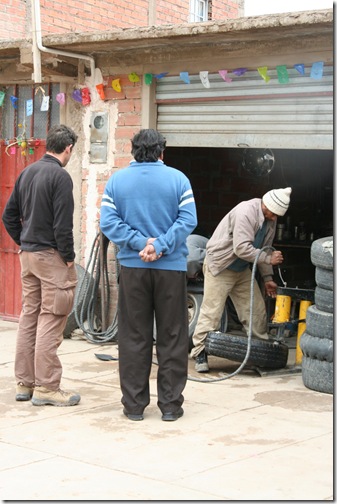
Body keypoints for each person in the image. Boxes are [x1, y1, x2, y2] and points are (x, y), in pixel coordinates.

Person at [100, 129, 197, 422]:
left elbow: (108, 221)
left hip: (133, 269)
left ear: (133, 151)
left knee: (133, 337)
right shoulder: (179, 179)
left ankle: (133, 407)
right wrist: (160, 245)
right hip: (170, 270)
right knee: (172, 336)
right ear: (161, 152)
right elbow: (188, 219)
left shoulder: (117, 181)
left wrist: (140, 244)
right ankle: (170, 407)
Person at [2, 124, 81, 406]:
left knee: (29, 317)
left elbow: (8, 215)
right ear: (68, 148)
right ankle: (47, 387)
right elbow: (63, 225)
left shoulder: (28, 172)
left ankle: (25, 383)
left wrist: (23, 241)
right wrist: (69, 257)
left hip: (28, 257)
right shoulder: (60, 177)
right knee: (52, 318)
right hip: (50, 257)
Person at [190, 187, 292, 372]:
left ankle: (261, 353)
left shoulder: (270, 219)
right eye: (274, 213)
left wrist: (268, 278)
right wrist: (269, 259)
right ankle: (200, 353)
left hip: (242, 269)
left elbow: (265, 248)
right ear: (266, 205)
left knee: (255, 310)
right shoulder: (246, 212)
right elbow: (242, 248)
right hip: (220, 266)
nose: (275, 218)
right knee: (212, 312)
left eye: (278, 215)